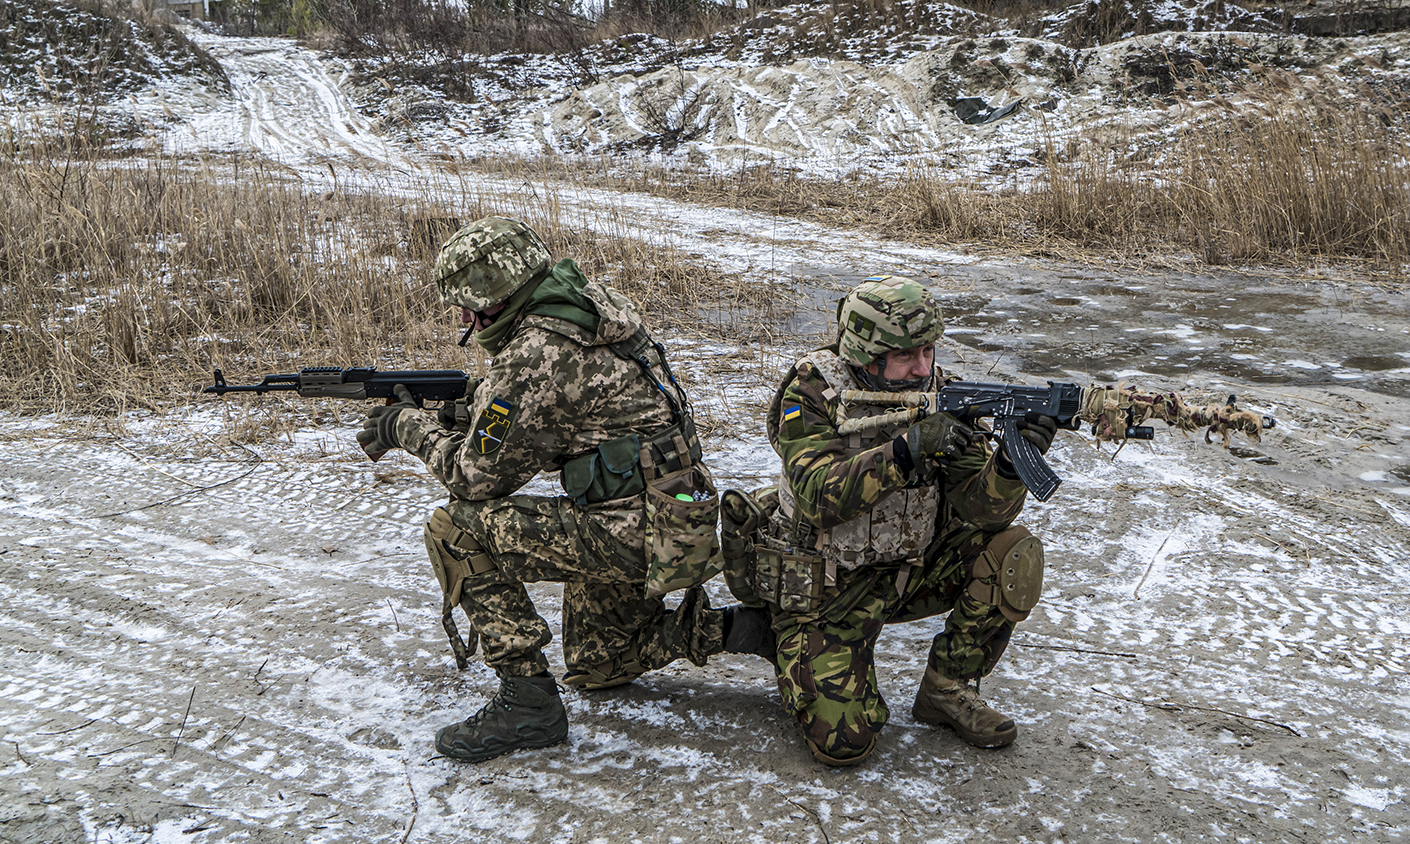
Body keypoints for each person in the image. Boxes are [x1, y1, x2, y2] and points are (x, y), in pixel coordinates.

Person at [355, 216, 772, 762]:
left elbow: (475, 477)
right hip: (678, 518)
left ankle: (526, 704)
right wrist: (477, 409)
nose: (463, 318)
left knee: (456, 526)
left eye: (467, 303)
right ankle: (742, 630)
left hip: (630, 532)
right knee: (601, 665)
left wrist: (404, 426)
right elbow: (569, 418)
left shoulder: (536, 352)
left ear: (494, 293)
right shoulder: (588, 305)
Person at [748, 274, 1057, 766]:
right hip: (826, 586)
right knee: (846, 744)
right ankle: (765, 632)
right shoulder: (813, 390)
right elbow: (815, 495)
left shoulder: (941, 393)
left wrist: (1010, 467)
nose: (923, 368)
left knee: (1009, 552)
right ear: (867, 356)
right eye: (906, 357)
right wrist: (906, 452)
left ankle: (946, 688)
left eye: (928, 352)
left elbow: (981, 511)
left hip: (907, 571)